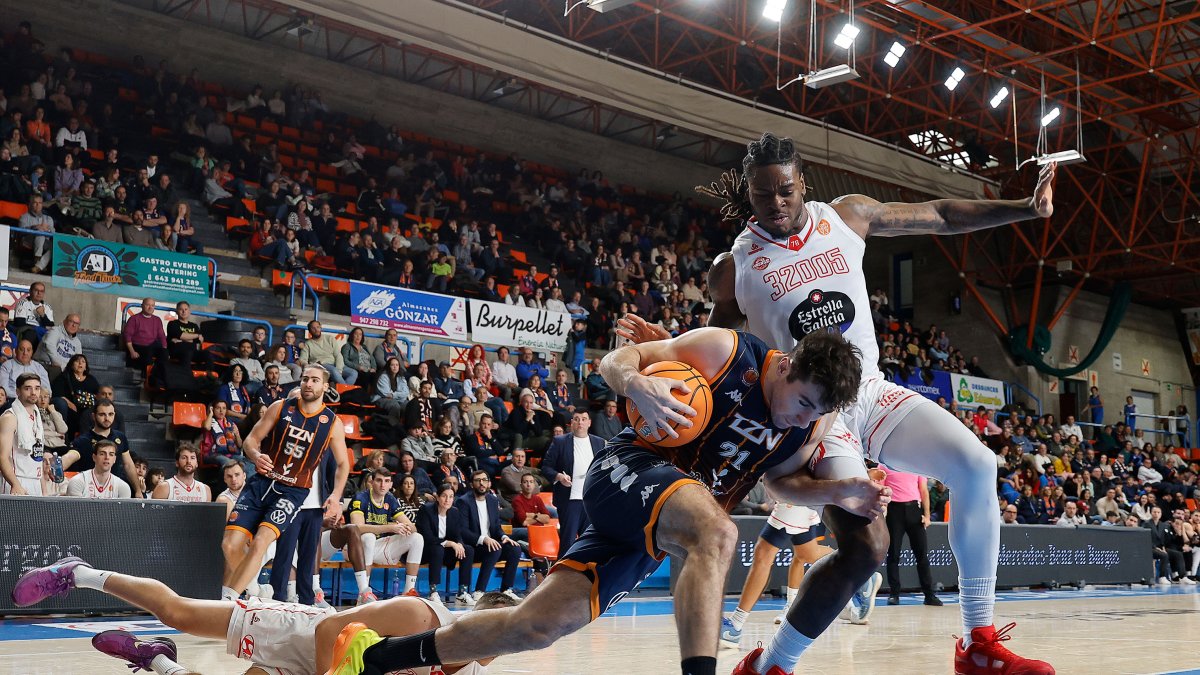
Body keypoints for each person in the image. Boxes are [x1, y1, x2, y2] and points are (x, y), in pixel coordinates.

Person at [688, 131, 1055, 675]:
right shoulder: (734, 267)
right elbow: (714, 351)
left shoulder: (846, 216)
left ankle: (977, 642)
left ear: (803, 183)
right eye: (764, 194)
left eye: (785, 189)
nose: (777, 202)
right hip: (814, 418)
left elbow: (941, 215)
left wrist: (1023, 208)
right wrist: (669, 350)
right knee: (867, 549)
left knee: (978, 464)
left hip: (872, 392)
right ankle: (772, 666)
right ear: (750, 192)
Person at [327, 326, 881, 675]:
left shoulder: (802, 427)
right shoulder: (728, 351)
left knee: (535, 626)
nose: (803, 416)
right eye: (802, 401)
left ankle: (375, 657)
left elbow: (780, 484)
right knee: (718, 533)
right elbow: (618, 360)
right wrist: (637, 385)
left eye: (815, 412)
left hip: (658, 523)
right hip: (626, 471)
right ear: (786, 365)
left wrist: (839, 490)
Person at [11, 557, 510, 675]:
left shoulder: (462, 663)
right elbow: (337, 627)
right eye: (508, 640)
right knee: (178, 611)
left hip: (310, 667)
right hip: (300, 632)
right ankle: (78, 574)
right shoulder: (423, 614)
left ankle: (157, 661)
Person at [220, 366, 350, 601]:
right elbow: (251, 440)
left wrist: (336, 496)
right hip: (261, 483)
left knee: (261, 541)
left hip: (292, 491)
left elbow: (343, 464)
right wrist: (255, 456)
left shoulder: (332, 423)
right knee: (229, 546)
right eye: (305, 379)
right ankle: (255, 588)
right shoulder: (279, 407)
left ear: (325, 387)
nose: (308, 384)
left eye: (314, 380)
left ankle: (229, 598)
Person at [720, 504, 834, 649]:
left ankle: (735, 625)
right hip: (797, 496)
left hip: (795, 495)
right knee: (807, 553)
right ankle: (853, 561)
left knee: (763, 552)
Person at [348, 468, 425, 598]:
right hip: (356, 548)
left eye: (387, 481)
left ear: (391, 484)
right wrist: (389, 527)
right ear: (372, 482)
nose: (383, 485)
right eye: (379, 480)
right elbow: (358, 528)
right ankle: (364, 592)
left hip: (378, 547)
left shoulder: (390, 499)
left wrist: (399, 527)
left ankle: (408, 591)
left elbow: (412, 528)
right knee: (368, 537)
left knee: (417, 538)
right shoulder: (360, 498)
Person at [541, 411, 604, 554]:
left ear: (589, 423)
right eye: (576, 419)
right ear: (571, 423)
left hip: (591, 501)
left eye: (583, 419)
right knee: (568, 542)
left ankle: (584, 575)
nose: (580, 422)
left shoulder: (599, 442)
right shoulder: (560, 441)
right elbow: (545, 467)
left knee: (588, 543)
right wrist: (558, 477)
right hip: (570, 500)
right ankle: (562, 575)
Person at [455, 470, 522, 602]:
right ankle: (479, 591)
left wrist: (504, 537)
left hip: (491, 545)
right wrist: (483, 539)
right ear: (471, 484)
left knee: (515, 549)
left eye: (484, 480)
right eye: (478, 480)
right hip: (474, 547)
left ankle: (506, 590)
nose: (481, 483)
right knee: (495, 549)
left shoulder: (492, 500)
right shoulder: (464, 502)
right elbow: (463, 531)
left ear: (489, 483)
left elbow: (496, 527)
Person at [879, 466, 941, 606]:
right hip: (894, 510)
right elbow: (881, 490)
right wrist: (884, 512)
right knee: (893, 553)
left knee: (922, 555)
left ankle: (929, 594)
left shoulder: (915, 464)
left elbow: (923, 490)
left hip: (914, 509)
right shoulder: (884, 464)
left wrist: (927, 515)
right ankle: (894, 593)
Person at [416, 483, 474, 604]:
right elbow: (427, 537)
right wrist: (451, 543)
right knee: (437, 549)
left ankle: (462, 592)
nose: (448, 500)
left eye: (451, 496)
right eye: (444, 496)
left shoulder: (454, 512)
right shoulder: (426, 510)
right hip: (426, 550)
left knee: (468, 550)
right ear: (437, 497)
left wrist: (459, 544)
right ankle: (433, 592)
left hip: (444, 550)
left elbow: (457, 534)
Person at [0, 373, 51, 495]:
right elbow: (2, 456)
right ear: (18, 391)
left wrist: (44, 490)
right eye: (28, 388)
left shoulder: (37, 416)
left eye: (37, 388)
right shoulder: (10, 417)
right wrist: (15, 484)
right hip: (15, 479)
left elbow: (37, 456)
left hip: (36, 480)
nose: (34, 392)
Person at [63, 439, 131, 499]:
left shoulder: (123, 487)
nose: (107, 457)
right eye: (102, 454)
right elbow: (75, 511)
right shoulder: (78, 481)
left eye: (111, 454)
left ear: (114, 459)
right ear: (94, 457)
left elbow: (123, 513)